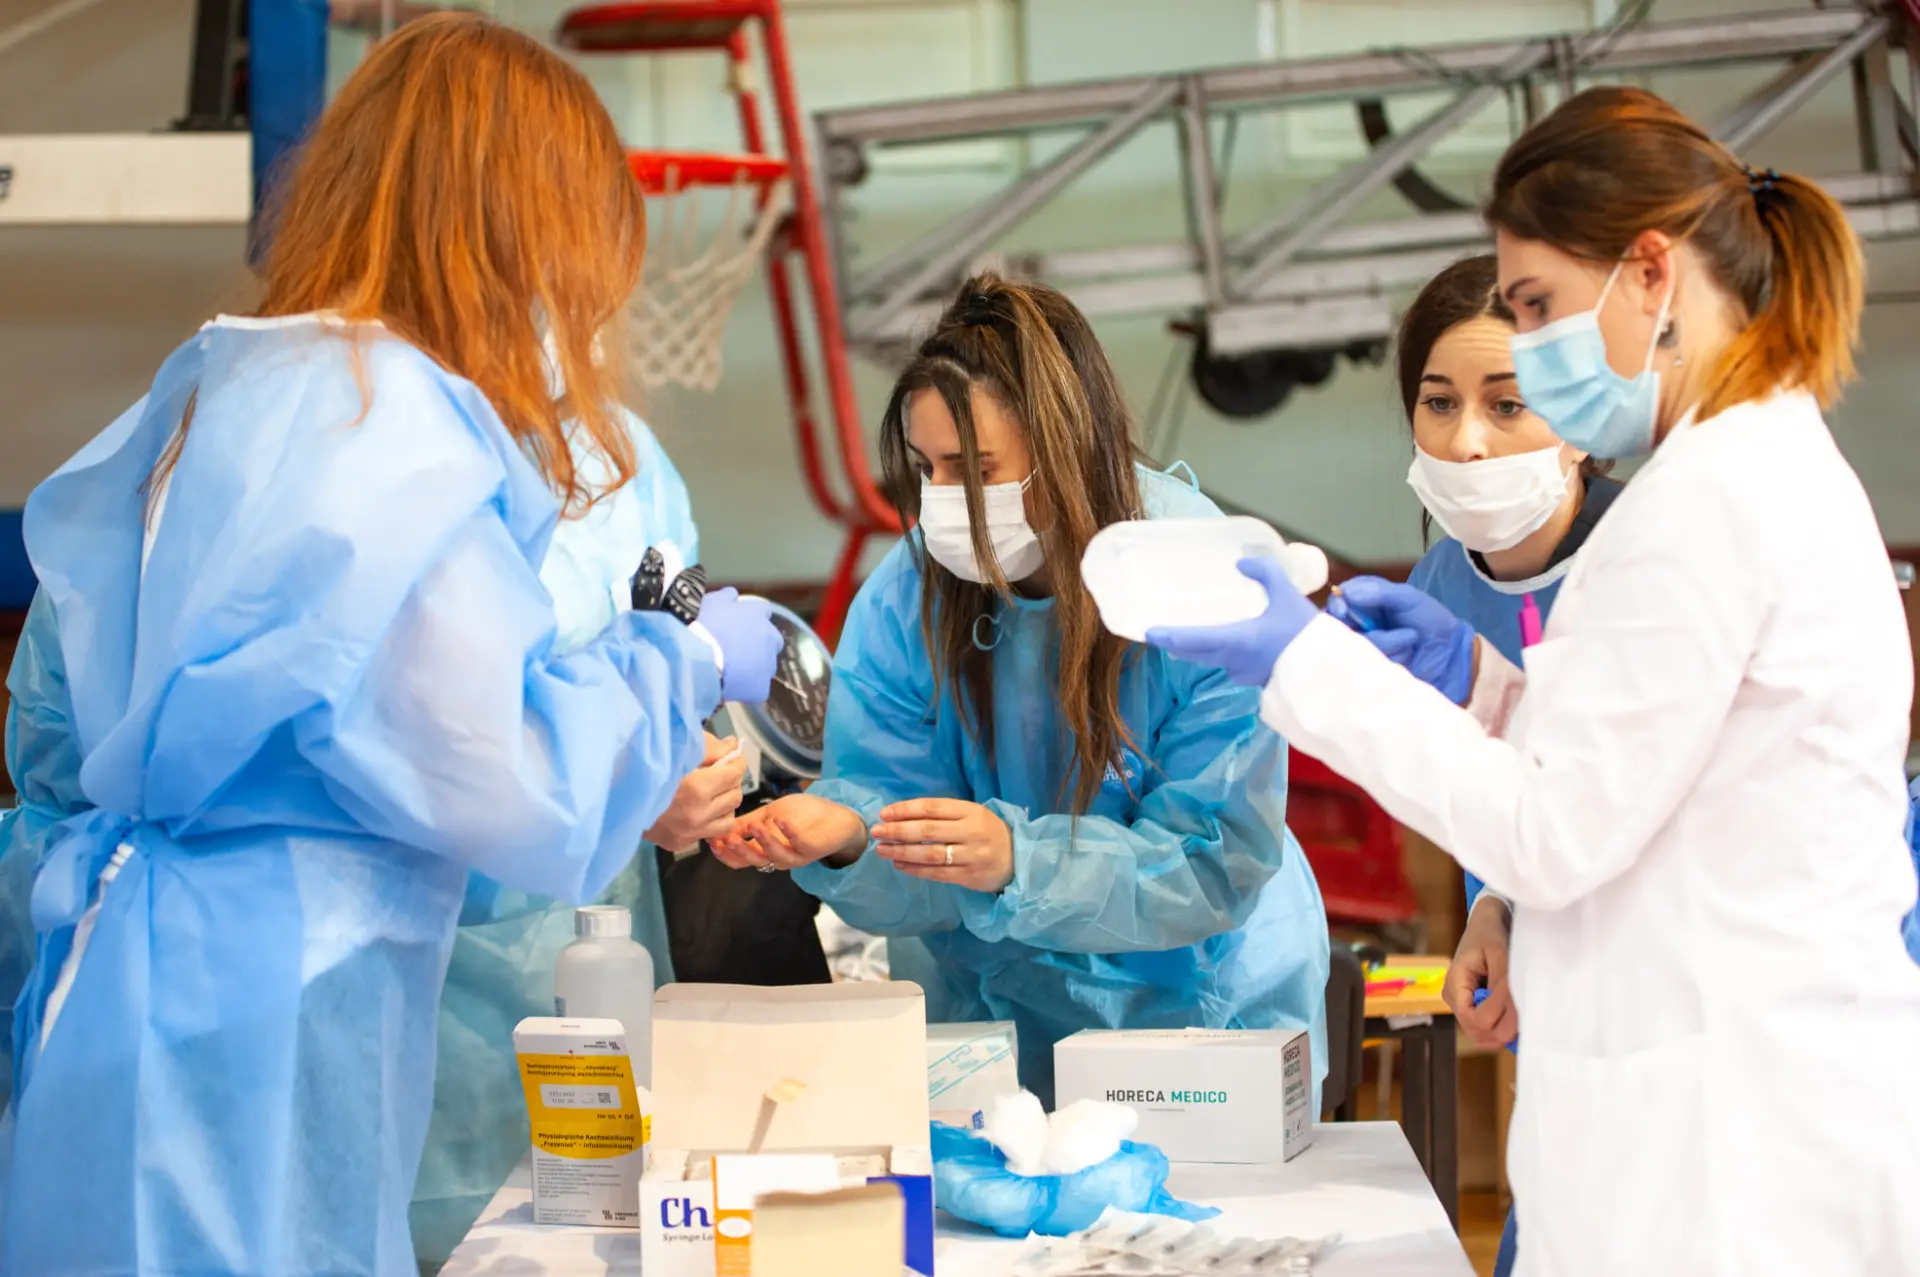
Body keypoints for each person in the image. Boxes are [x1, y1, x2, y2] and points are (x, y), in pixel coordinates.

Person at [1, 15, 780, 1276]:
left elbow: (62, 723)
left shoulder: (239, 387)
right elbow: (508, 773)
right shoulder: (389, 433)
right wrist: (677, 660)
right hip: (267, 1028)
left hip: (137, 1007)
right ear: (515, 233)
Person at [1147, 86, 1920, 1274]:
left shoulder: (1710, 500)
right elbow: (1662, 764)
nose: (1533, 347)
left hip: (1731, 1149)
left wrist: (1305, 660)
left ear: (1649, 272)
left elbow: (1555, 832)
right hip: (1720, 1109)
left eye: (1537, 307)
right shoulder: (1736, 470)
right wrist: (1480, 683)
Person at [709, 274, 1331, 1108]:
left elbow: (1213, 862)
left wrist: (1017, 860)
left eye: (975, 469)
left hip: (1203, 1022)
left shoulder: (1202, 581)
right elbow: (899, 820)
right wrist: (850, 833)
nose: (943, 500)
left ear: (1066, 448)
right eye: (928, 469)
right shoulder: (907, 601)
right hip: (992, 1026)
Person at [1381, 252, 1625, 1277]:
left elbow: (1619, 795)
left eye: (1508, 403)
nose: (1467, 440)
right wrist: (1492, 907)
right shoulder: (1439, 583)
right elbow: (1480, 790)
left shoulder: (1649, 560)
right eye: (1439, 402)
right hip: (1546, 997)